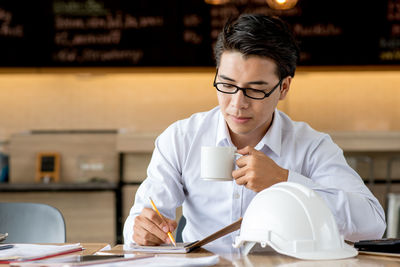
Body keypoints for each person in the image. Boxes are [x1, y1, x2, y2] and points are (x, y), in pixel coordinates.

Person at [123, 14, 386, 247]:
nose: (237, 104)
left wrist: (284, 181)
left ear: (284, 88)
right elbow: (141, 220)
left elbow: (372, 225)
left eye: (256, 89)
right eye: (226, 85)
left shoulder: (311, 146)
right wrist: (141, 230)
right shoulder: (181, 139)